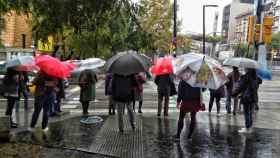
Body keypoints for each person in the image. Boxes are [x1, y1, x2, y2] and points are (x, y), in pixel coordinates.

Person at [232, 68, 258, 133]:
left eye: (246, 68)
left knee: (246, 112)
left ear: (248, 70)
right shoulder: (256, 78)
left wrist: (234, 94)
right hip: (253, 97)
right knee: (250, 112)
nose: (245, 69)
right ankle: (249, 126)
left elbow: (240, 87)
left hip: (246, 97)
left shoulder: (245, 77)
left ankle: (247, 128)